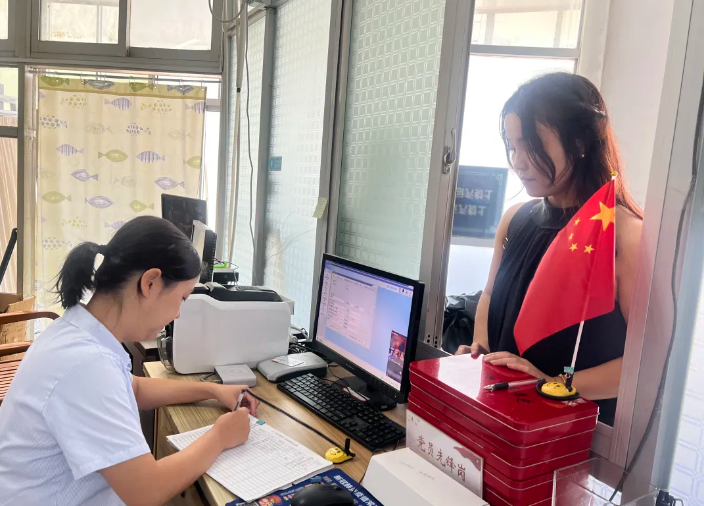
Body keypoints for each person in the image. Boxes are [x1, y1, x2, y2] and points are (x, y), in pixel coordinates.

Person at [0, 216, 259, 506]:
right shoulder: (87, 365)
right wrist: (221, 436)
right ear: (150, 282)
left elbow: (132, 388)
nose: (178, 314)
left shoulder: (79, 330)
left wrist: (213, 390)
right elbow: (146, 492)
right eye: (182, 299)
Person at [456, 73, 643, 426]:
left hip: (574, 434)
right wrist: (482, 351)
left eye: (530, 145)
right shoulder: (515, 220)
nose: (518, 161)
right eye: (512, 146)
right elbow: (491, 295)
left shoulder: (625, 236)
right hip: (501, 417)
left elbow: (645, 363)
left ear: (580, 141)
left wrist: (551, 383)